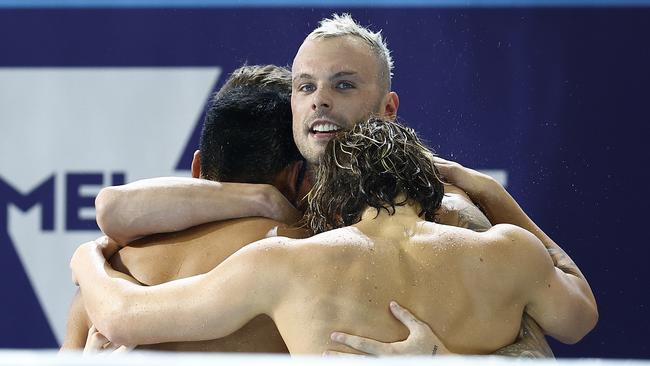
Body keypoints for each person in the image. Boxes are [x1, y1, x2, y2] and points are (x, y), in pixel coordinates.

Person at [82, 14, 572, 356]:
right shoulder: (272, 209)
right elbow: (112, 211)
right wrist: (261, 199)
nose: (319, 101)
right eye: (305, 87)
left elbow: (540, 338)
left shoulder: (445, 209)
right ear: (293, 106)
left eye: (343, 85)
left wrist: (454, 362)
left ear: (388, 109)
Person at [71, 119, 598, 355]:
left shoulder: (285, 263)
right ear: (433, 185)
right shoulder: (512, 252)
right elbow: (580, 319)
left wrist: (87, 258)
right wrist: (491, 194)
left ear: (332, 200)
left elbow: (121, 318)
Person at [61, 66, 309, 352]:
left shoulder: (103, 275)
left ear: (197, 168)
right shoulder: (309, 257)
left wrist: (86, 259)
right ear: (297, 178)